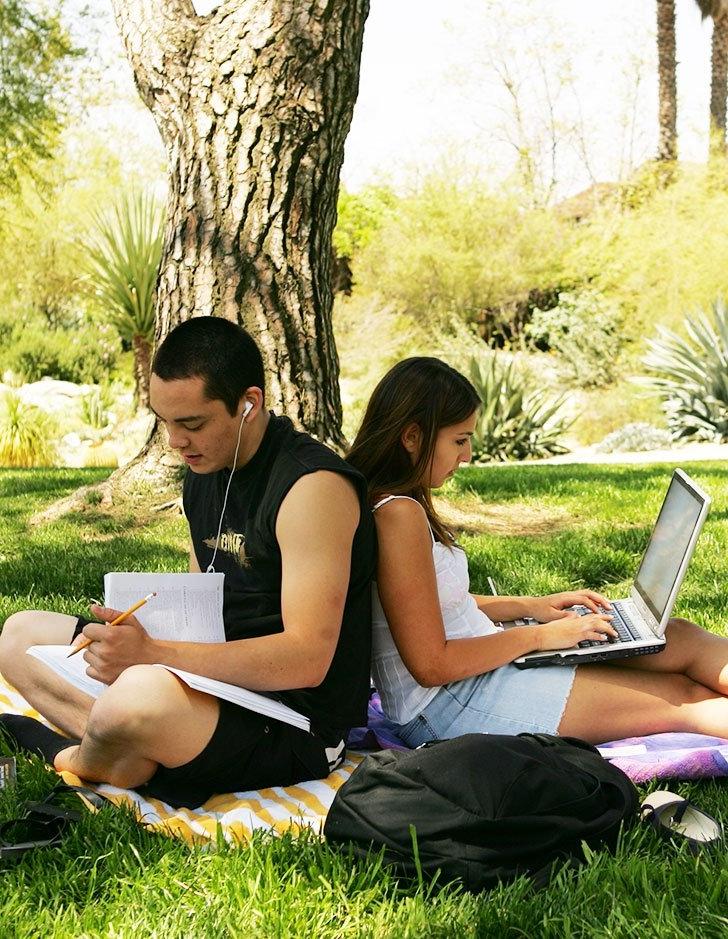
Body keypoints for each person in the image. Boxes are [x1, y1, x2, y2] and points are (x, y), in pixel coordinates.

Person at [0, 318, 376, 807]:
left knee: (137, 697)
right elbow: (203, 605)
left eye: (192, 423)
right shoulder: (205, 469)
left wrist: (153, 654)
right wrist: (137, 637)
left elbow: (307, 659)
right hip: (212, 685)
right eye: (165, 421)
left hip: (293, 721)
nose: (175, 441)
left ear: (249, 403)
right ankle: (125, 742)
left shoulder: (311, 488)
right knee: (20, 635)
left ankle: (75, 755)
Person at [345, 356, 728, 747]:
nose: (468, 455)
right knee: (683, 698)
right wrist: (540, 638)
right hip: (449, 705)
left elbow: (433, 604)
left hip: (477, 673)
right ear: (411, 437)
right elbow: (432, 665)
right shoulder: (397, 514)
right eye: (459, 440)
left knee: (679, 636)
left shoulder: (398, 504)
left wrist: (531, 607)